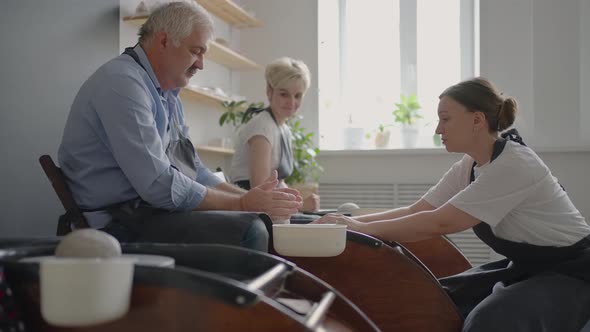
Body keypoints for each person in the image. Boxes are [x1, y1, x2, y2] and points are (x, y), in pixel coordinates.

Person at [314, 78, 590, 331]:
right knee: (431, 300)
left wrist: (358, 227)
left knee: (491, 321)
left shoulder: (515, 164)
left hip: (572, 273)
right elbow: (418, 210)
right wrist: (352, 224)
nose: (437, 129)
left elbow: (441, 222)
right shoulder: (471, 163)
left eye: (445, 119)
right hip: (527, 266)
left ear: (477, 120)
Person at [57, 2, 302, 252]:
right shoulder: (123, 84)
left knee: (262, 219)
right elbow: (158, 185)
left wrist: (250, 199)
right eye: (196, 51)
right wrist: (241, 205)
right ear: (163, 41)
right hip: (117, 223)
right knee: (251, 228)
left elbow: (194, 169)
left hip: (146, 213)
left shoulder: (168, 93)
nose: (201, 64)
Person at [228, 57, 320, 214]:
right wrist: (300, 205)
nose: (292, 102)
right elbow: (261, 191)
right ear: (269, 91)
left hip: (266, 210)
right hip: (248, 213)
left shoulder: (283, 129)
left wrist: (297, 200)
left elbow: (279, 184)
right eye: (284, 94)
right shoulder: (262, 128)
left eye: (297, 95)